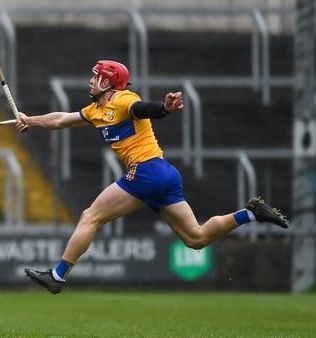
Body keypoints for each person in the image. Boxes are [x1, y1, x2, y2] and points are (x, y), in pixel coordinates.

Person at [16, 59, 290, 294]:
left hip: (146, 171)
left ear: (109, 82)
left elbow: (143, 109)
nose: (90, 81)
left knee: (91, 216)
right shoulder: (95, 111)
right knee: (196, 238)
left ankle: (58, 276)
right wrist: (31, 121)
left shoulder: (124, 99)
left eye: (96, 77)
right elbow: (61, 119)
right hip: (164, 173)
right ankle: (251, 213)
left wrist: (165, 108)